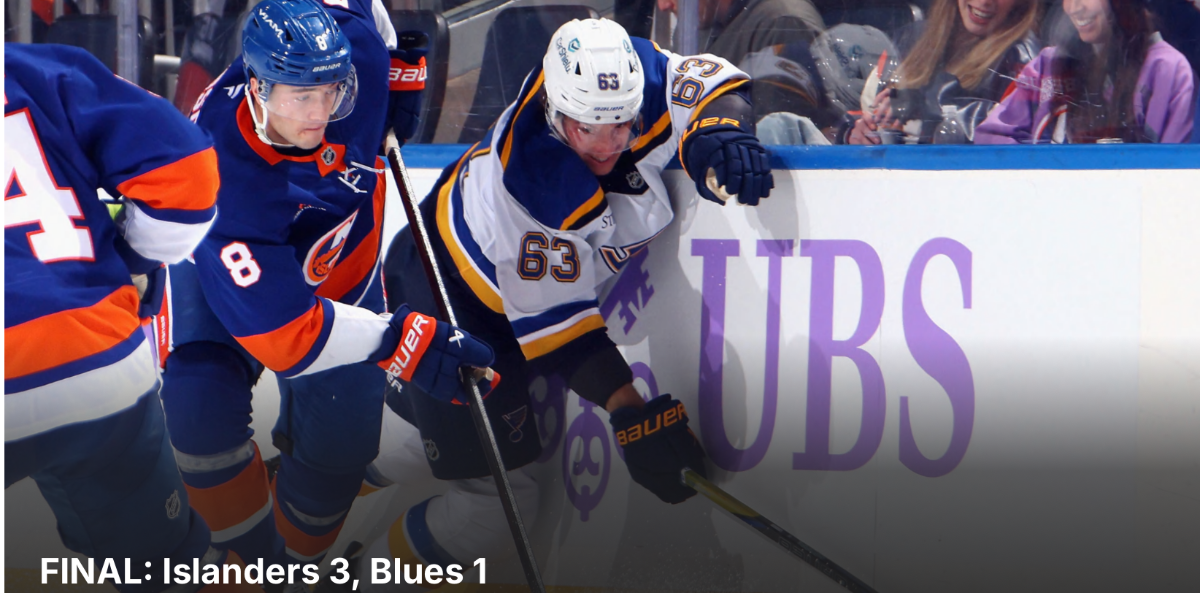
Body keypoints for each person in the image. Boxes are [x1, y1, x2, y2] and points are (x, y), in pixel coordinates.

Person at [352, 17, 775, 586]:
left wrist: (718, 129)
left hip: (467, 272)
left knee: (399, 448)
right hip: (451, 300)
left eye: (620, 124)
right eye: (587, 128)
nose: (606, 145)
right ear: (554, 111)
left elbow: (715, 85)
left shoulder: (626, 79)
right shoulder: (534, 185)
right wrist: (629, 412)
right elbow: (564, 335)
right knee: (492, 511)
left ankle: (308, 491)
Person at [158, 0, 493, 569]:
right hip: (226, 276)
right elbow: (289, 335)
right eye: (301, 97)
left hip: (344, 272)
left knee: (339, 461)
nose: (319, 113)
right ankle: (241, 567)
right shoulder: (222, 173)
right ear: (259, 88)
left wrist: (398, 74)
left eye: (331, 92)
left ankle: (291, 571)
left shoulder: (351, 54)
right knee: (199, 409)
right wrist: (399, 341)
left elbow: (368, 15)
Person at [5, 43, 259, 592]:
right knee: (168, 570)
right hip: (94, 361)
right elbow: (187, 169)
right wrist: (134, 259)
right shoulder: (33, 68)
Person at [976, 0, 1194, 143]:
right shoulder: (1047, 64)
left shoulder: (1166, 69)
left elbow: (1171, 176)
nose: (1073, 8)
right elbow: (991, 137)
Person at [846, 0, 1042, 144]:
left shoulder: (1025, 60)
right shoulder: (910, 37)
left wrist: (925, 105)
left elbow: (1008, 132)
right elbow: (864, 112)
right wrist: (857, 133)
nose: (984, 1)